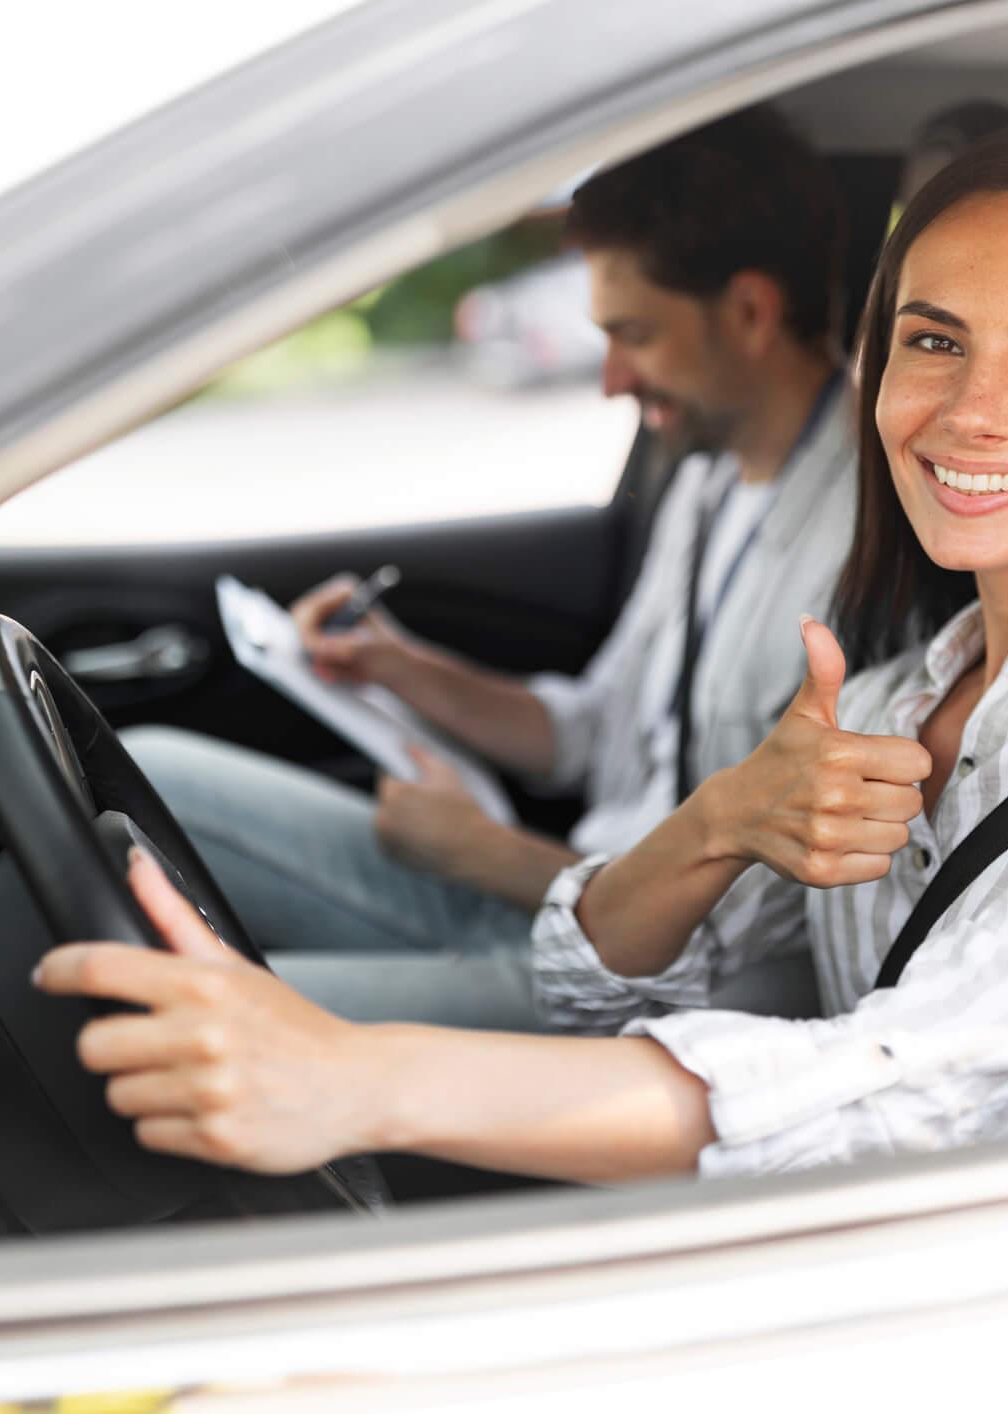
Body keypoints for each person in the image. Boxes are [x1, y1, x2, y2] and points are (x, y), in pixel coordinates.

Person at [35, 124, 1008, 1184]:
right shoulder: (910, 690)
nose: (973, 410)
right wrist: (726, 815)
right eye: (931, 342)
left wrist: (357, 1076)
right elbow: (594, 978)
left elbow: (918, 1079)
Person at [120, 107, 857, 1019]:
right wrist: (401, 668)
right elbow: (594, 730)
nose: (611, 379)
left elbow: (763, 924)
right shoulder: (709, 479)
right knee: (145, 771)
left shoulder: (867, 539)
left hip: (651, 987)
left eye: (635, 334)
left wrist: (483, 853)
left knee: (164, 1015)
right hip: (545, 899)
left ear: (749, 311)